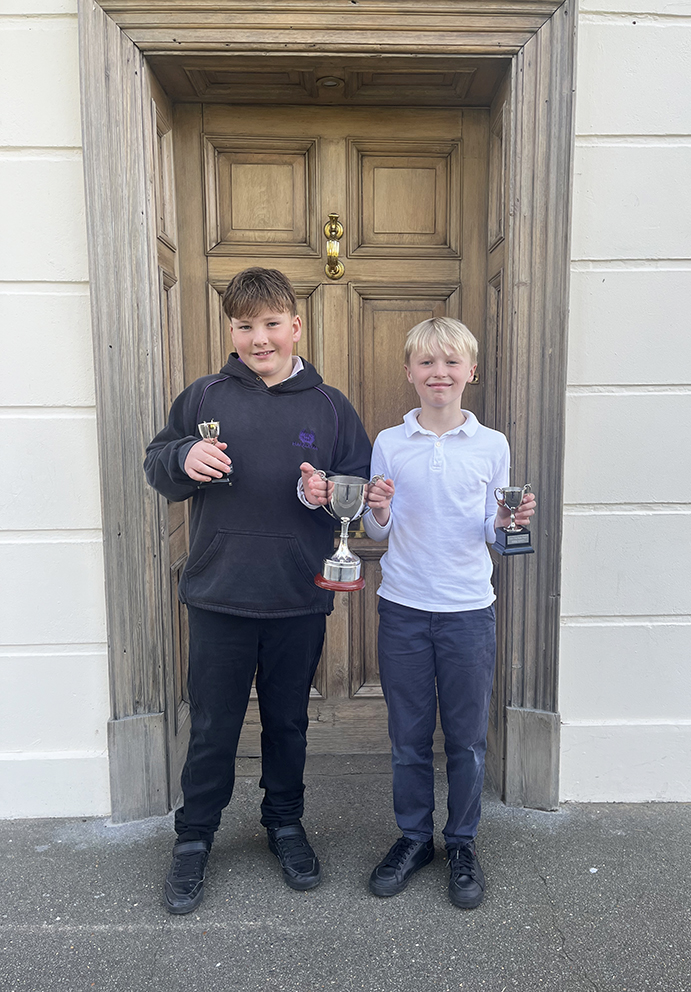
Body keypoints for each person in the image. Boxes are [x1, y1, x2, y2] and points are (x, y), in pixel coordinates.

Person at [145, 267, 371, 914]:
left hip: (297, 595)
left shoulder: (330, 406)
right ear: (231, 331)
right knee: (212, 724)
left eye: (271, 324)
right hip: (218, 594)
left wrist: (327, 493)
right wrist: (182, 458)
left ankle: (285, 824)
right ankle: (194, 837)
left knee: (288, 722)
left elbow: (355, 492)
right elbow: (158, 464)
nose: (259, 338)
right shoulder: (203, 396)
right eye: (244, 326)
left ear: (295, 326)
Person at [363, 316, 536, 910]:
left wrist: (507, 522)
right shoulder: (389, 442)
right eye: (427, 363)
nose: (439, 373)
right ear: (409, 372)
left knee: (466, 741)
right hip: (404, 608)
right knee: (408, 738)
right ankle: (414, 838)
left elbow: (493, 527)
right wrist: (377, 508)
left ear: (471, 371)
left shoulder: (492, 445)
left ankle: (461, 842)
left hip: (468, 611)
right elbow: (376, 528)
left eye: (451, 362)